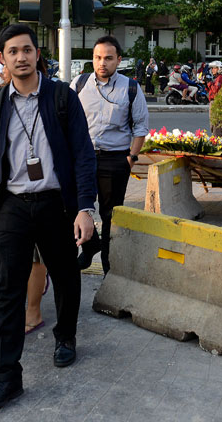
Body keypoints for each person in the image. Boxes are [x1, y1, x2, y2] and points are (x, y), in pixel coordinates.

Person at [0, 24, 96, 410]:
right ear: (3, 58)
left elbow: (82, 154)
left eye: (27, 50)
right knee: (7, 291)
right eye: (13, 51)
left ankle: (65, 337)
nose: (21, 57)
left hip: (56, 202)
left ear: (37, 53)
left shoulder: (61, 96)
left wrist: (84, 208)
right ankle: (7, 378)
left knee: (64, 274)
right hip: (12, 206)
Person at [73, 36, 150, 275]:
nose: (102, 62)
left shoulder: (130, 87)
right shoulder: (79, 83)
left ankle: (109, 269)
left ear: (118, 60)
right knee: (75, 207)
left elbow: (140, 127)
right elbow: (65, 119)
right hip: (83, 158)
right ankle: (90, 244)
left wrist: (131, 158)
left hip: (115, 160)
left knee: (110, 215)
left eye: (108, 58)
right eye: (97, 57)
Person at [207, 60, 222, 137]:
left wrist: (209, 83)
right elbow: (210, 90)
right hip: (216, 101)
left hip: (216, 102)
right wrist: (206, 83)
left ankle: (217, 140)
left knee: (215, 123)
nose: (212, 70)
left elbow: (215, 90)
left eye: (214, 68)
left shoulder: (220, 78)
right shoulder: (217, 78)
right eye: (212, 68)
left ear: (219, 68)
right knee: (219, 123)